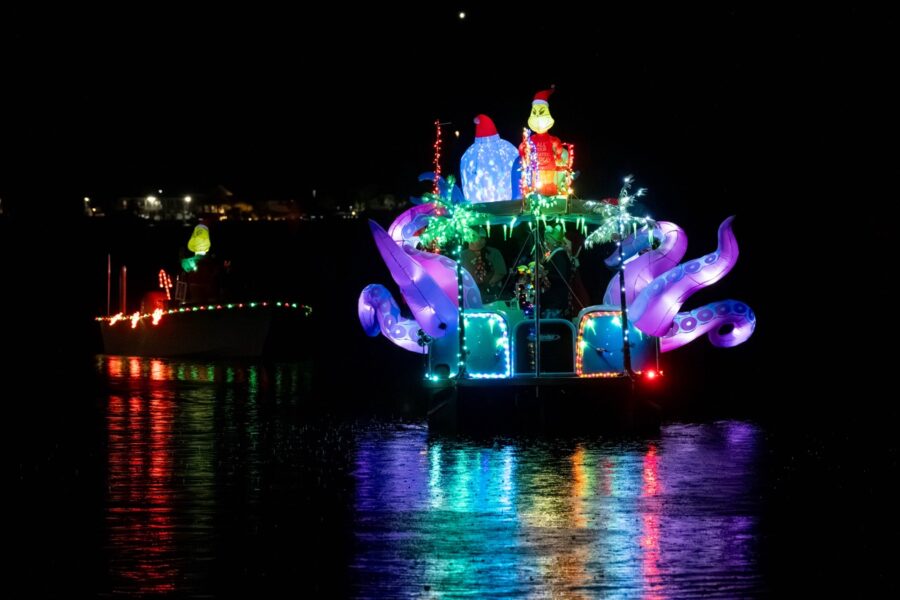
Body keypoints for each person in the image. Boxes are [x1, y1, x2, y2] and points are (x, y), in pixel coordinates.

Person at [460, 228, 507, 303]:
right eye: (480, 238)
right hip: (469, 292)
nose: (483, 240)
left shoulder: (493, 252)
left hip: (491, 292)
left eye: (483, 238)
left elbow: (501, 271)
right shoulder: (463, 255)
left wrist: (488, 285)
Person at [540, 225, 573, 318]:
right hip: (554, 300)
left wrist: (545, 274)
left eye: (547, 240)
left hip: (556, 301)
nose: (545, 242)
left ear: (553, 242)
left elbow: (561, 277)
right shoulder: (555, 255)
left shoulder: (559, 255)